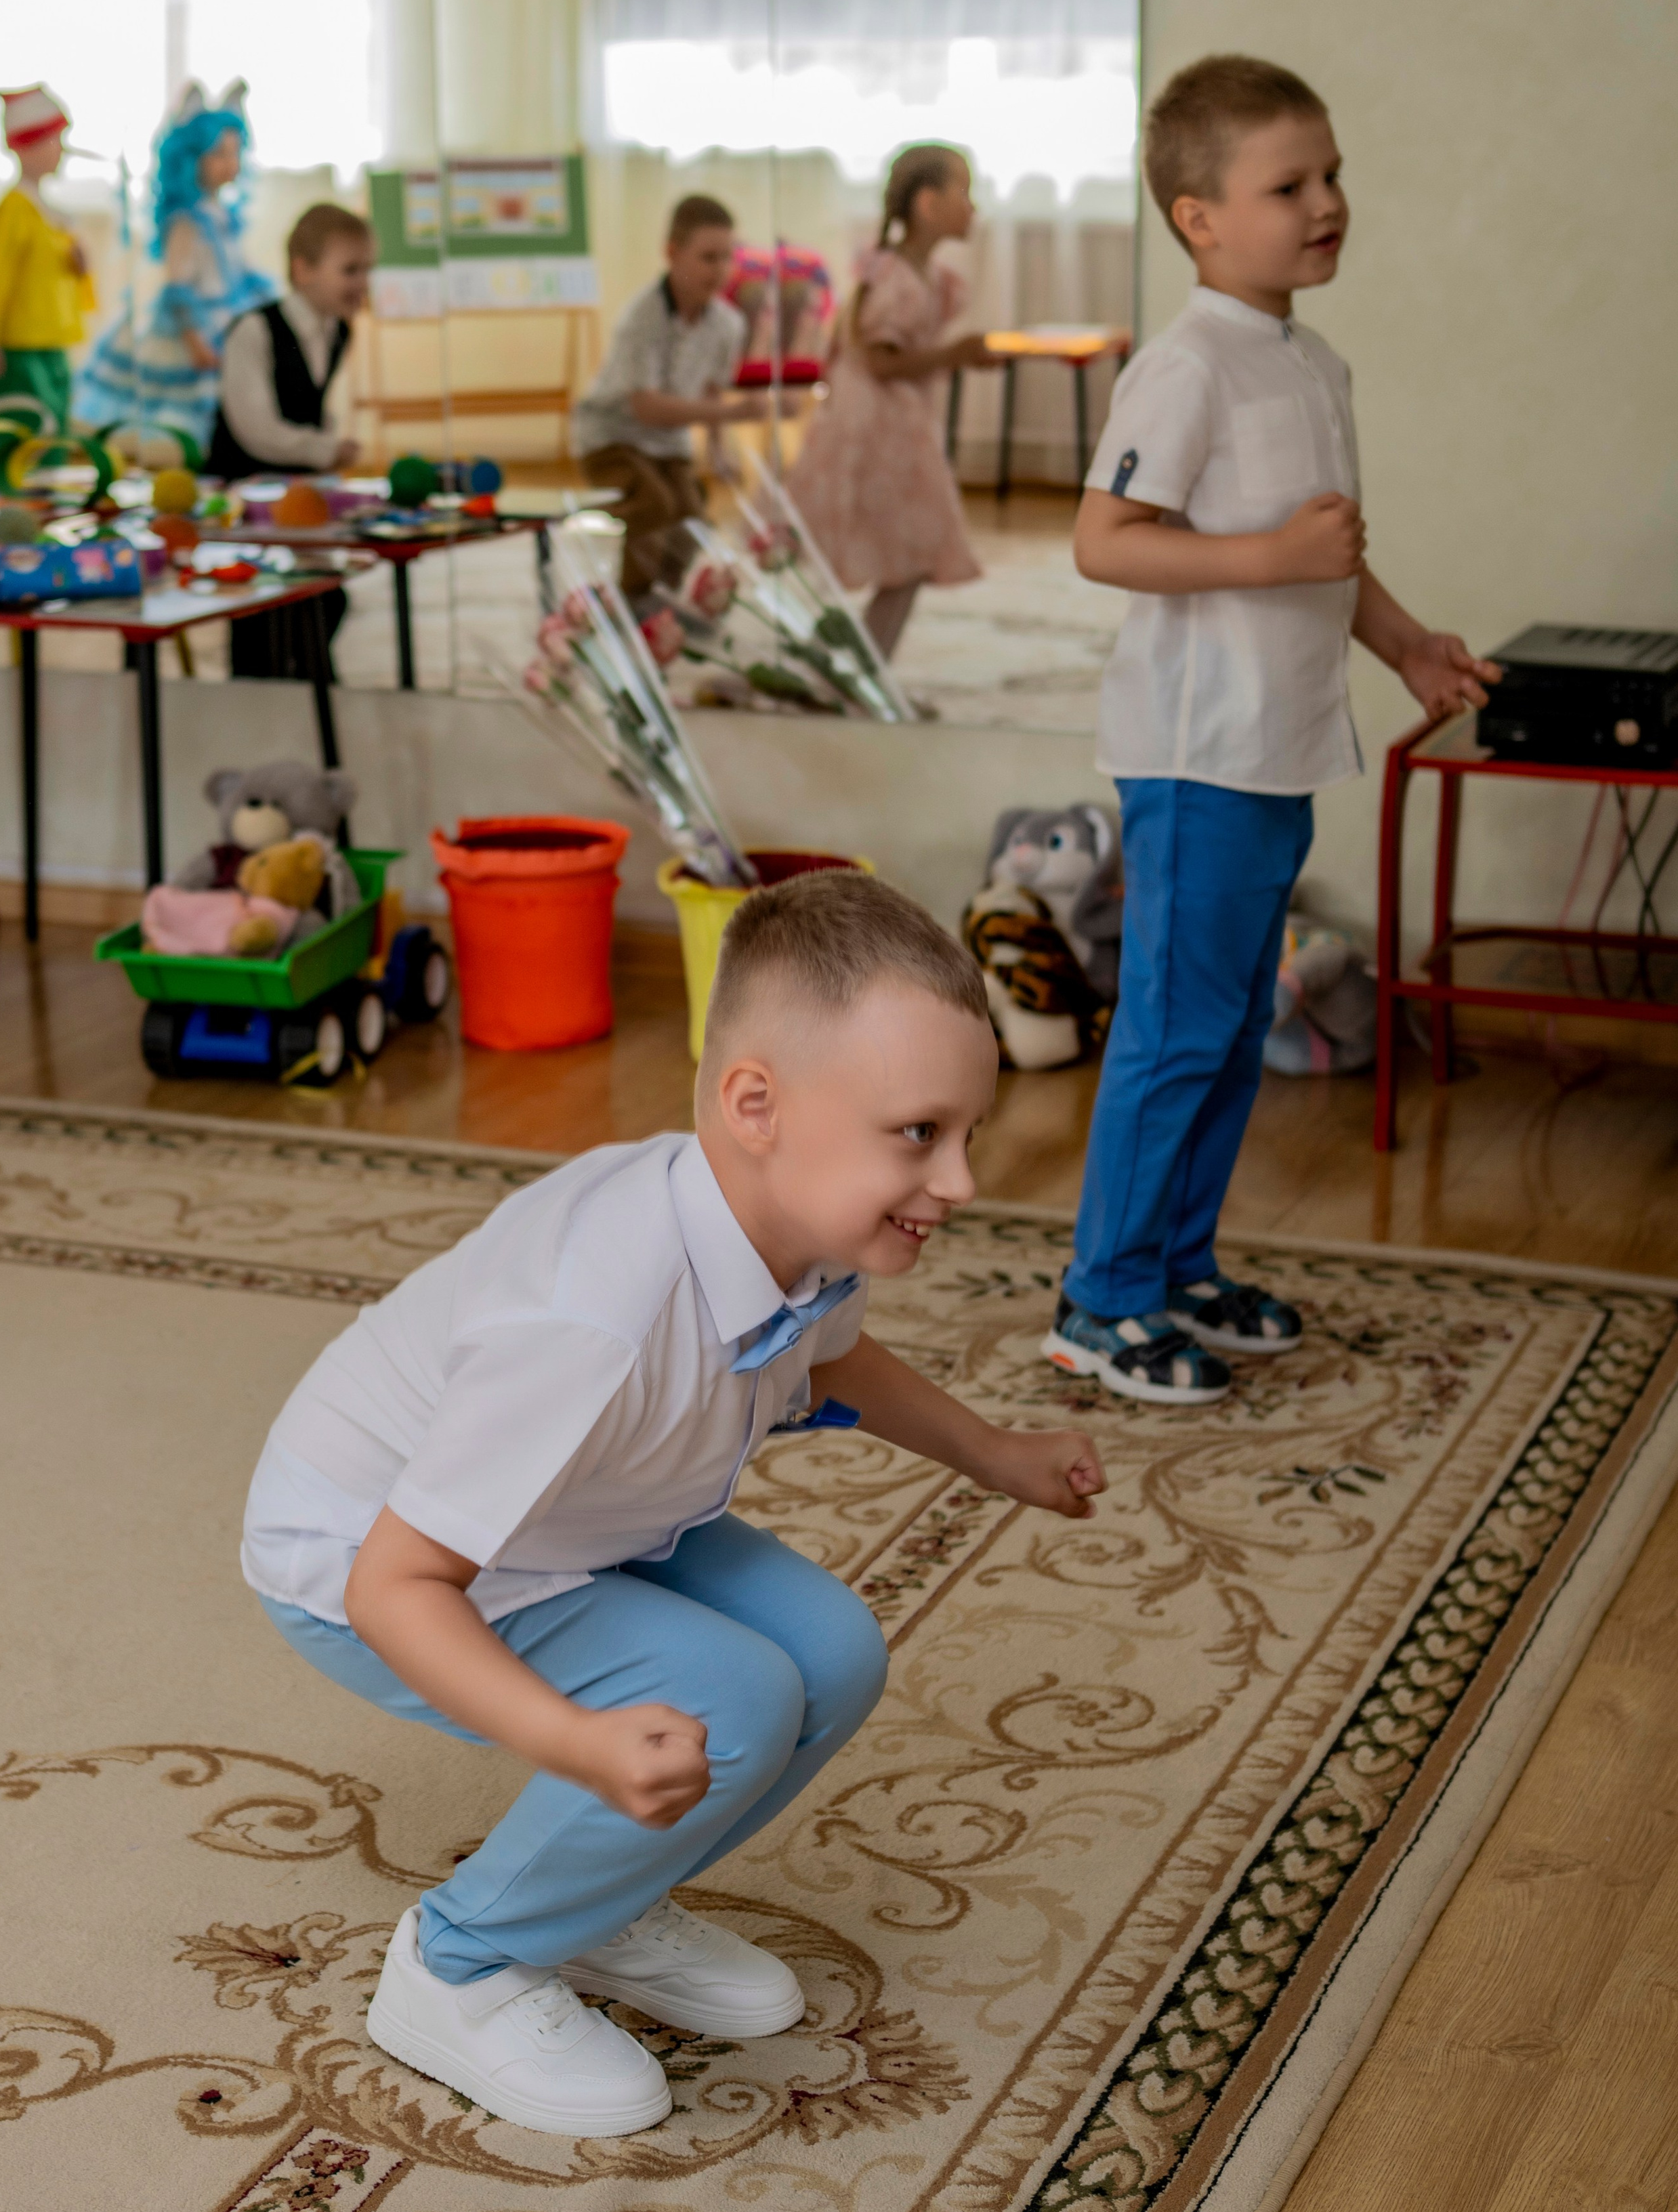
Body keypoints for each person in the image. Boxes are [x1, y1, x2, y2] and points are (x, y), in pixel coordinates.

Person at [240, 870, 1104, 2137]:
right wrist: (578, 1745)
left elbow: (836, 1362)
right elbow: (393, 1586)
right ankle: (458, 1964)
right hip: (369, 1557)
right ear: (757, 1104)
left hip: (579, 1515)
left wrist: (999, 1452)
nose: (962, 1180)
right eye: (921, 1135)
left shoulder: (797, 1224)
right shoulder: (591, 1313)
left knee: (834, 1650)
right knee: (734, 1694)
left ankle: (593, 1902)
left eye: (967, 1133)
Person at [1043, 56, 1500, 1407]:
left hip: (1277, 743)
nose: (1325, 203)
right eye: (1287, 184)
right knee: (1172, 1033)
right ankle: (1098, 1300)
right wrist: (1269, 553)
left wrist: (1406, 643)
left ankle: (1175, 1264)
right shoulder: (1185, 367)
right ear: (1197, 217)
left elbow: (1324, 557)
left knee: (1230, 1028)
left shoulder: (1306, 358)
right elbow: (1101, 541)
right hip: (1195, 755)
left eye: (1331, 176)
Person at [784, 143, 999, 660]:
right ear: (928, 204)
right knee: (914, 549)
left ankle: (858, 664)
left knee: (913, 553)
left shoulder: (922, 277)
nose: (973, 207)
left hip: (897, 425)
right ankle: (855, 665)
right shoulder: (898, 280)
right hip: (876, 429)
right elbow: (880, 361)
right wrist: (954, 354)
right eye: (963, 193)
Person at [207, 200, 371, 679]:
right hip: (243, 496)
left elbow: (312, 408)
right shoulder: (254, 331)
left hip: (294, 496)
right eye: (350, 270)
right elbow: (256, 431)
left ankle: (312, 691)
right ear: (304, 271)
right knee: (262, 614)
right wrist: (323, 450)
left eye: (367, 270)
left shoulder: (339, 331)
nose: (363, 284)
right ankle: (263, 696)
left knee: (323, 600)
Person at [75, 81, 272, 456]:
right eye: (217, 154)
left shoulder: (223, 217)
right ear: (189, 159)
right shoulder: (185, 223)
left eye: (234, 153)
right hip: (195, 332)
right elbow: (178, 288)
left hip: (226, 322)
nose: (229, 163)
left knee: (229, 406)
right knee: (185, 414)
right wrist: (195, 340)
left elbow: (238, 272)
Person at [573, 194, 753, 602]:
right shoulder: (643, 317)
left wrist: (719, 447)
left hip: (668, 443)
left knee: (692, 516)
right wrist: (734, 411)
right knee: (656, 504)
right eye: (708, 258)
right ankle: (630, 600)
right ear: (672, 253)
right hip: (612, 437)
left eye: (728, 257)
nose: (721, 271)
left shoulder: (728, 324)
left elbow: (711, 388)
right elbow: (646, 407)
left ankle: (664, 596)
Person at [0, 85, 96, 457]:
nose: (62, 150)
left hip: (51, 341)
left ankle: (50, 499)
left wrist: (78, 266)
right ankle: (22, 501)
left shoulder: (48, 212)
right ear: (27, 146)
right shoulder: (14, 209)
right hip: (19, 347)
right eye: (55, 140)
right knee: (26, 432)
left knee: (56, 427)